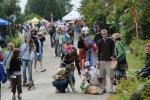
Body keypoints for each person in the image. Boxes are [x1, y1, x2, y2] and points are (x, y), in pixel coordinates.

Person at [97, 29, 115, 93]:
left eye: (106, 34)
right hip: (102, 60)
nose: (105, 35)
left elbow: (113, 50)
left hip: (109, 60)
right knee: (102, 76)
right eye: (103, 34)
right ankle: (104, 88)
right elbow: (98, 52)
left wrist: (113, 56)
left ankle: (112, 88)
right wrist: (98, 60)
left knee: (111, 75)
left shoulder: (111, 41)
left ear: (107, 34)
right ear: (101, 35)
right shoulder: (100, 41)